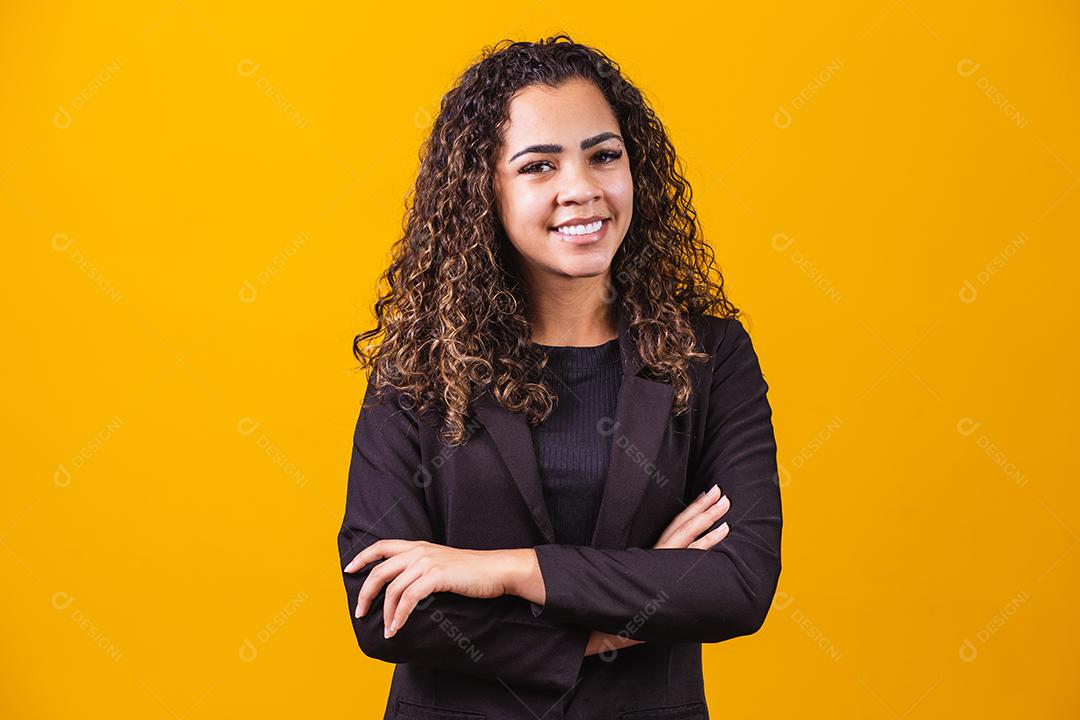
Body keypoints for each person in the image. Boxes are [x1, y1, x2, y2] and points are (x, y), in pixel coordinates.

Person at [338, 33, 782, 720]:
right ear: (483, 189)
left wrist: (508, 570)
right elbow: (386, 610)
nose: (582, 189)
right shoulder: (419, 367)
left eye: (604, 155)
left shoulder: (709, 354)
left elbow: (738, 584)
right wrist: (619, 622)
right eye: (538, 166)